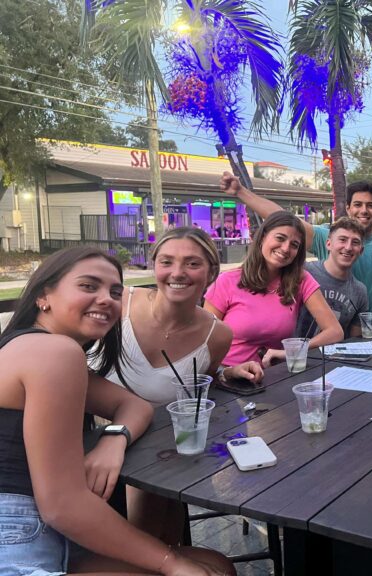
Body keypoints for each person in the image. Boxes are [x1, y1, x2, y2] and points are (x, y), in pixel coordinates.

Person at [0, 246, 233, 575]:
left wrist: (114, 437)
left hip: (43, 528)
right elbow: (62, 504)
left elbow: (133, 405)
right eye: (88, 286)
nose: (107, 299)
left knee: (215, 565)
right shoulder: (53, 352)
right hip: (16, 539)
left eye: (114, 291)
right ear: (44, 296)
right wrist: (171, 563)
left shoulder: (38, 348)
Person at [101, 227, 263, 545]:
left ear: (211, 272)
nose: (178, 273)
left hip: (156, 452)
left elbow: (197, 381)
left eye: (192, 263)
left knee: (162, 503)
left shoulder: (217, 335)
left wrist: (227, 373)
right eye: (167, 262)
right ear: (153, 266)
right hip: (93, 442)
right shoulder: (118, 304)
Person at [219, 172, 372, 326]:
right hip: (331, 342)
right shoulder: (326, 235)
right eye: (358, 204)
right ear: (348, 208)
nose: (364, 210)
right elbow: (284, 218)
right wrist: (240, 192)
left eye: (370, 205)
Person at [204, 210, 342, 367]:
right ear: (263, 237)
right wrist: (223, 374)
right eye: (280, 238)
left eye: (294, 245)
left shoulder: (300, 280)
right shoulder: (226, 282)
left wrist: (293, 351)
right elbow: (203, 343)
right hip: (228, 377)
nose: (285, 248)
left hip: (273, 378)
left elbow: (335, 331)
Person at [296, 217, 369, 338]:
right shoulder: (304, 272)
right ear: (328, 244)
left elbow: (355, 341)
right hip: (294, 354)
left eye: (355, 242)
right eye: (342, 240)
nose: (348, 247)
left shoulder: (360, 291)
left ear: (361, 251)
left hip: (333, 355)